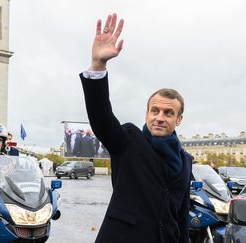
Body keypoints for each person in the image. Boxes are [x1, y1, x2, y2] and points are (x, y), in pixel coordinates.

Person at [80, 13, 192, 243]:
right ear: (147, 113)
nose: (159, 118)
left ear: (179, 119)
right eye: (155, 110)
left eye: (168, 113)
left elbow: (181, 215)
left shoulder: (185, 160)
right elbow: (101, 119)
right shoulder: (129, 141)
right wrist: (98, 65)